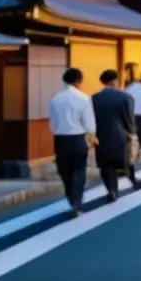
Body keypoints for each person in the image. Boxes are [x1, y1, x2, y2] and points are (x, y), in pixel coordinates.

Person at [48, 68, 96, 218]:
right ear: (79, 81)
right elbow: (89, 122)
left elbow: (53, 123)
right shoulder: (83, 98)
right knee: (79, 169)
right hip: (77, 138)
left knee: (65, 171)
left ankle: (71, 197)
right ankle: (77, 201)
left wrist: (58, 130)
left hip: (61, 139)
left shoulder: (56, 98)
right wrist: (92, 136)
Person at [91, 69, 141, 201]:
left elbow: (91, 119)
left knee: (106, 165)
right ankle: (133, 180)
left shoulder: (94, 99)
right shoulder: (126, 98)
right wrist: (133, 132)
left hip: (102, 136)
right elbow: (130, 119)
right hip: (123, 135)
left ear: (102, 82)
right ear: (116, 81)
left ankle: (112, 190)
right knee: (127, 161)